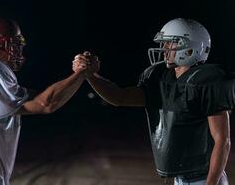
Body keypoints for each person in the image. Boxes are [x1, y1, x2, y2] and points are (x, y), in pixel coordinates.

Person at [73, 18, 231, 185]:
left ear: (191, 49)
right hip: (181, 179)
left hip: (204, 179)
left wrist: (211, 183)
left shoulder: (207, 82)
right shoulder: (160, 78)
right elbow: (120, 97)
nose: (164, 48)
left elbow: (223, 140)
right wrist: (90, 75)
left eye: (170, 44)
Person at [0, 14, 95, 185]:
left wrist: (77, 77)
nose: (18, 51)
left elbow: (43, 98)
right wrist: (80, 73)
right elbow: (45, 104)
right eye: (13, 45)